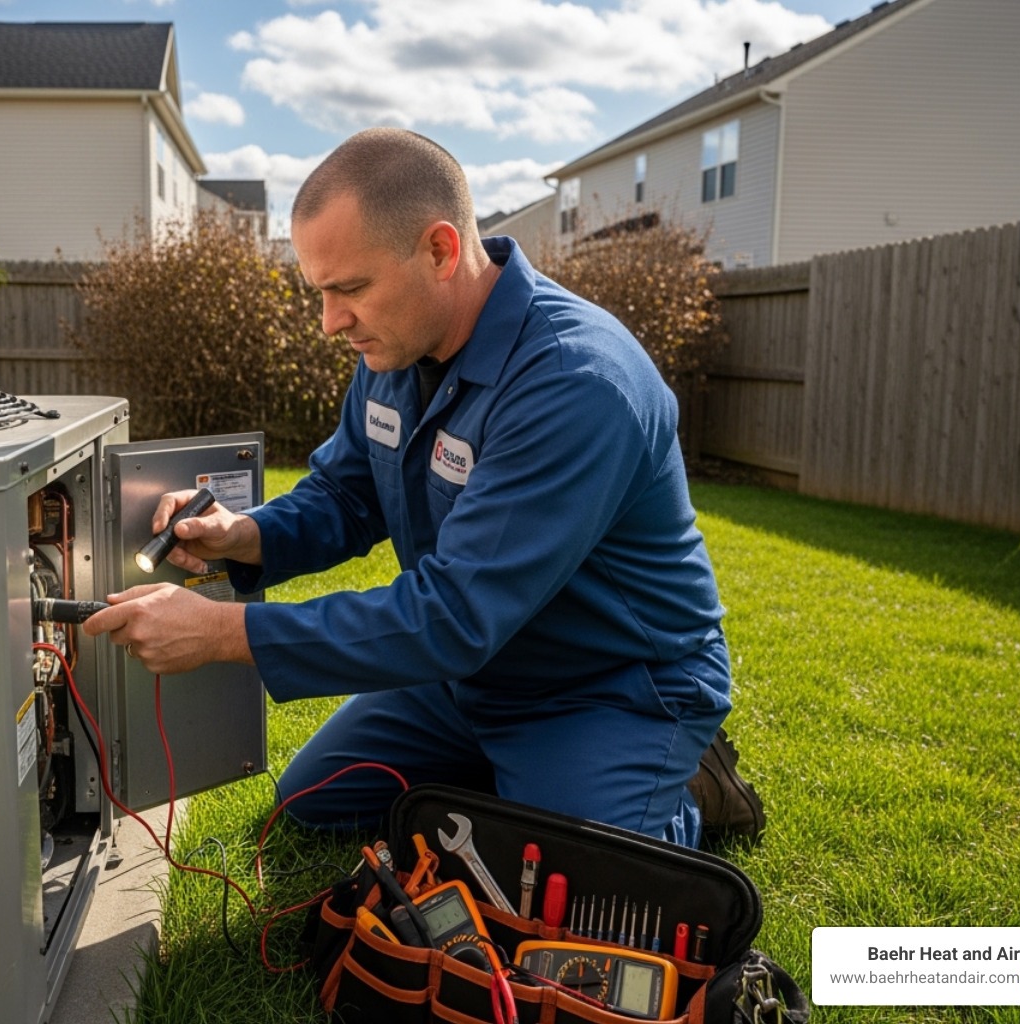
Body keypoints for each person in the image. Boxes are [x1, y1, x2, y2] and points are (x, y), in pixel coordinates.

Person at [82, 127, 762, 849]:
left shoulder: (576, 382)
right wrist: (244, 534)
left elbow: (456, 615)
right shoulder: (393, 349)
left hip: (605, 686)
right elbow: (347, 494)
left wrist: (223, 631)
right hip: (467, 676)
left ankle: (684, 785)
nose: (329, 322)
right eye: (320, 291)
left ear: (439, 250)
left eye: (349, 289)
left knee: (572, 887)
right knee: (310, 804)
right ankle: (517, 779)